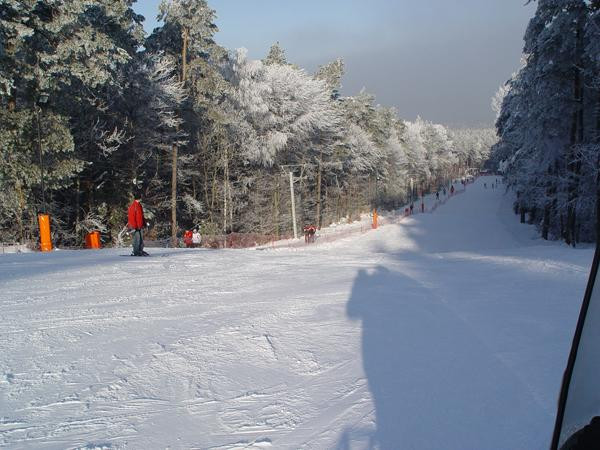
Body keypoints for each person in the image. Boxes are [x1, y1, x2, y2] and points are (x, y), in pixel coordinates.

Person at [127, 192, 148, 256]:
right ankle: (136, 252)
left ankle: (140, 250)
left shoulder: (139, 205)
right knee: (137, 239)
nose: (141, 199)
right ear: (138, 198)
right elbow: (131, 217)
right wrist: (134, 226)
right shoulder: (133, 206)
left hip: (140, 226)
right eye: (140, 198)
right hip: (135, 226)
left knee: (141, 239)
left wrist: (144, 223)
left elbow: (141, 216)